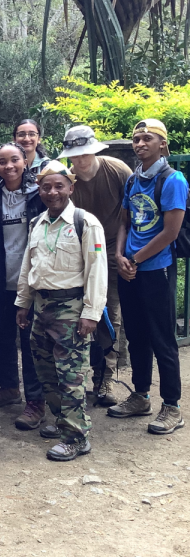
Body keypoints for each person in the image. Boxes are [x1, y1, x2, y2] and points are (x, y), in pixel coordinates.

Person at [15, 162, 108, 461]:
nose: (52, 192)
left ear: (71, 187)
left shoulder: (85, 222)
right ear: (39, 190)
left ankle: (75, 438)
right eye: (46, 187)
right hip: (41, 308)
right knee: (47, 374)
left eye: (59, 186)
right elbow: (28, 267)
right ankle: (63, 421)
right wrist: (23, 304)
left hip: (71, 310)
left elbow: (97, 271)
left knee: (71, 376)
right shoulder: (36, 224)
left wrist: (91, 313)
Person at [109, 119, 186, 435]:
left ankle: (172, 406)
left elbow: (171, 231)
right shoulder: (132, 180)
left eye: (147, 139)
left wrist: (135, 260)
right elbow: (124, 222)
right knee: (136, 334)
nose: (140, 144)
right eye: (136, 139)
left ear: (162, 144)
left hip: (156, 269)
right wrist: (119, 255)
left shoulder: (173, 180)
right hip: (130, 268)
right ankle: (140, 395)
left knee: (162, 337)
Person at [59, 124, 132, 406]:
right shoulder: (69, 179)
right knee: (81, 317)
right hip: (80, 256)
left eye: (84, 154)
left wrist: (123, 252)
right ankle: (78, 375)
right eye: (75, 156)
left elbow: (131, 215)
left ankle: (106, 378)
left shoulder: (117, 170)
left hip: (113, 251)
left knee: (110, 315)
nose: (80, 160)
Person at [0, 143, 47, 429]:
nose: (9, 166)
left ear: (25, 161)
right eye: (2, 162)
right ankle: (8, 388)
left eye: (14, 160)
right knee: (4, 337)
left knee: (31, 341)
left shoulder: (38, 195)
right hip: (1, 280)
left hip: (32, 282)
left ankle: (36, 401)